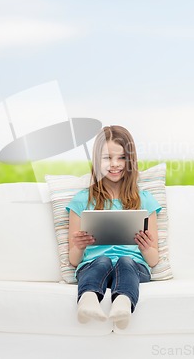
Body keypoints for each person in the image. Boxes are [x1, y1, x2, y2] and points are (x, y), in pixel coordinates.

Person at [66, 125, 161, 329]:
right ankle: (88, 301)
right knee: (102, 260)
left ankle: (123, 304)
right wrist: (80, 246)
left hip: (134, 267)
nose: (115, 164)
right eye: (108, 158)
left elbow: (154, 260)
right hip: (93, 266)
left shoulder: (144, 200)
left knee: (125, 261)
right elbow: (73, 260)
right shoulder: (82, 200)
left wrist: (146, 248)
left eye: (121, 158)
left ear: (130, 160)